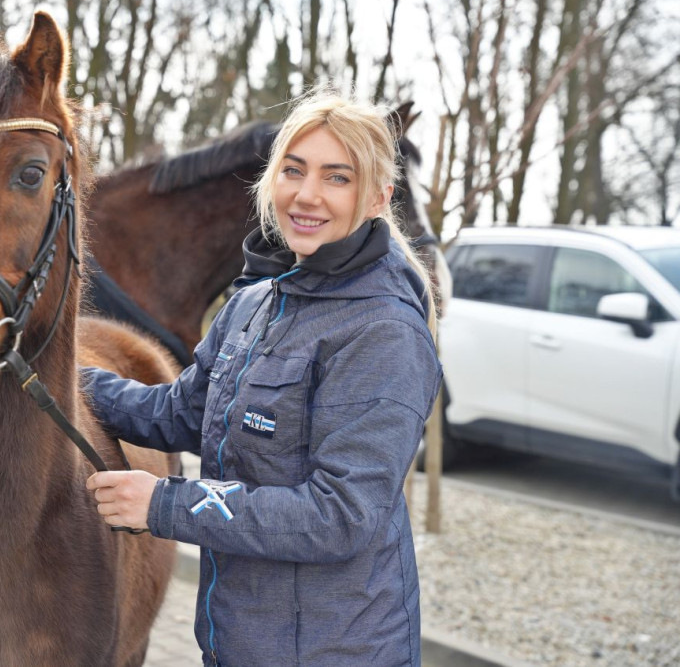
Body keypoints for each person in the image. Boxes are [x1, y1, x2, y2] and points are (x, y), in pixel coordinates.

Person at [83, 89, 442, 666]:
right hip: (237, 643)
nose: (307, 195)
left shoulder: (385, 333)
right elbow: (180, 413)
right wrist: (66, 379)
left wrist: (165, 504)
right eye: (293, 171)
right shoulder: (253, 305)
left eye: (336, 177)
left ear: (378, 197)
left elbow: (339, 515)